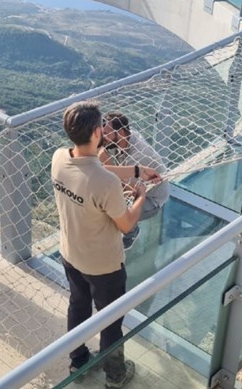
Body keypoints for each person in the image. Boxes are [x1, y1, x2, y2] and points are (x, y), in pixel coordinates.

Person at [52, 101, 161, 388]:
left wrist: (138, 169)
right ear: (99, 132)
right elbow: (125, 224)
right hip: (103, 265)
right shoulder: (105, 184)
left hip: (70, 253)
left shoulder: (60, 157)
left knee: (78, 306)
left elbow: (97, 168)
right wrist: (139, 195)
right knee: (111, 320)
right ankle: (115, 375)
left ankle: (78, 360)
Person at [99, 111, 171, 249]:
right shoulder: (128, 135)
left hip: (151, 199)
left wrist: (105, 159)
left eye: (106, 133)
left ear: (120, 133)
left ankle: (131, 232)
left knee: (115, 216)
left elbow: (127, 188)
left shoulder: (137, 157)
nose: (103, 138)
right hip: (137, 186)